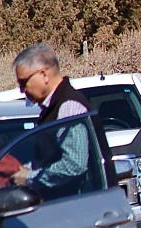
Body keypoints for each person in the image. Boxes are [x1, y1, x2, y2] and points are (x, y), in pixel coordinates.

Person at [10, 43, 92, 196]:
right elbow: (50, 157)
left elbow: (75, 164)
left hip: (78, 208)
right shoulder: (53, 108)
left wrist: (30, 177)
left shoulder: (69, 107)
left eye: (23, 82)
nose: (22, 90)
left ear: (43, 75)